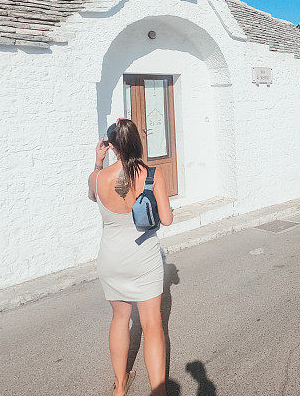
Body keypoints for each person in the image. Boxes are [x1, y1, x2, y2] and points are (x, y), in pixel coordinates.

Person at [88, 118, 174, 396]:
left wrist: (98, 161)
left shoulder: (97, 177)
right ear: (137, 141)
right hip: (143, 258)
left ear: (111, 145)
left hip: (111, 259)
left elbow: (93, 197)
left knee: (119, 319)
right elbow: (167, 219)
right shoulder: (152, 175)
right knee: (152, 325)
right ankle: (158, 391)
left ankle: (120, 387)